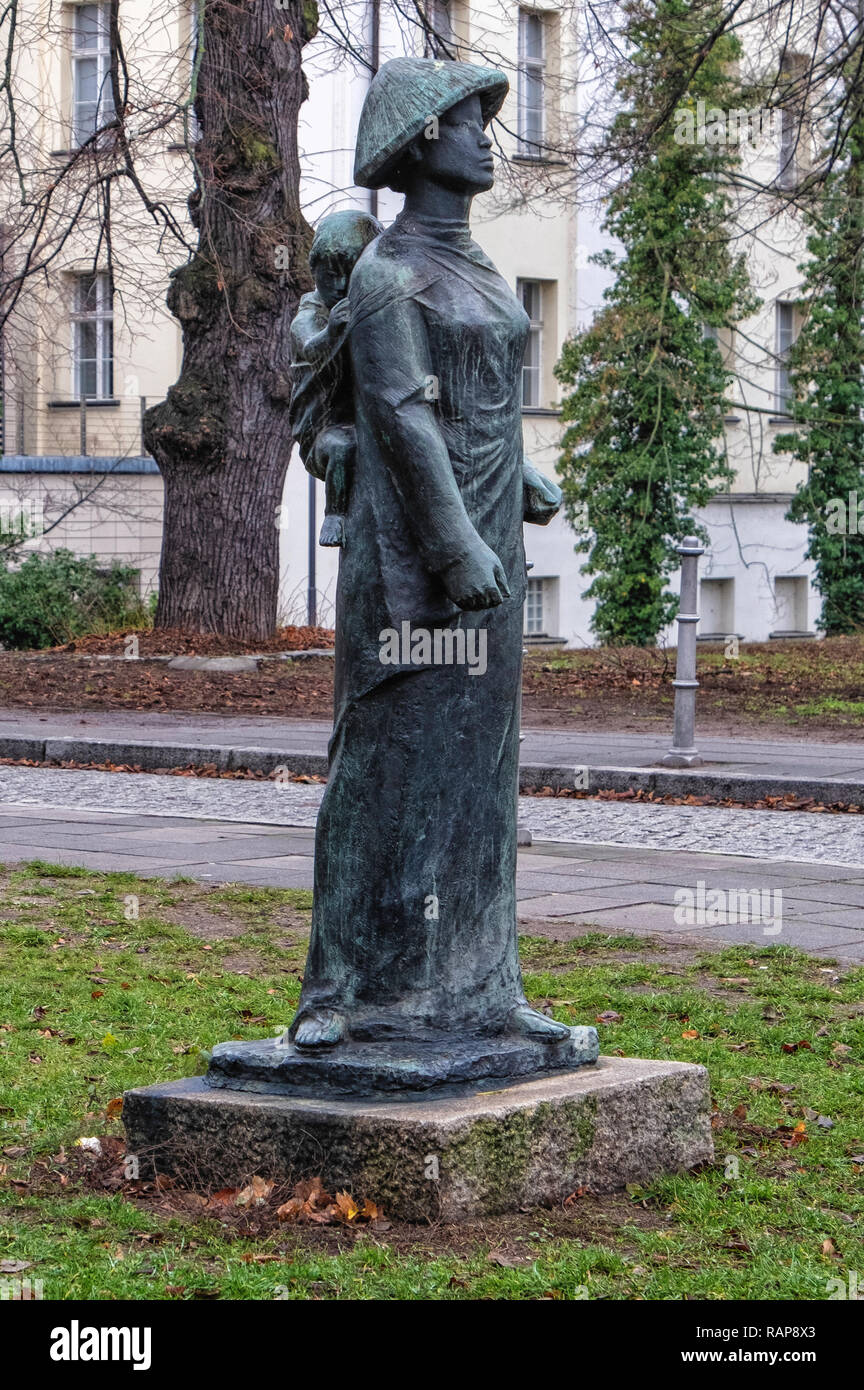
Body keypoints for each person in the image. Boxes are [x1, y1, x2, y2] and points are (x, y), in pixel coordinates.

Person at [288, 59, 591, 1084]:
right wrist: (455, 541)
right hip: (408, 560)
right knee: (380, 765)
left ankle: (481, 983)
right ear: (421, 138)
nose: (488, 137)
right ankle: (338, 990)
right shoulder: (384, 276)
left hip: (487, 552)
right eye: (470, 122)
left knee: (479, 771)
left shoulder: (481, 268)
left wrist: (523, 479)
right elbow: (402, 416)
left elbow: (472, 397)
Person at [289, 209, 382, 546]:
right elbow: (309, 346)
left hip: (367, 421)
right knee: (344, 447)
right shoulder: (311, 311)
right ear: (315, 272)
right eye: (330, 276)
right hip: (323, 431)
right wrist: (333, 331)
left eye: (351, 275)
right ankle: (335, 514)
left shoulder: (373, 304)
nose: (341, 286)